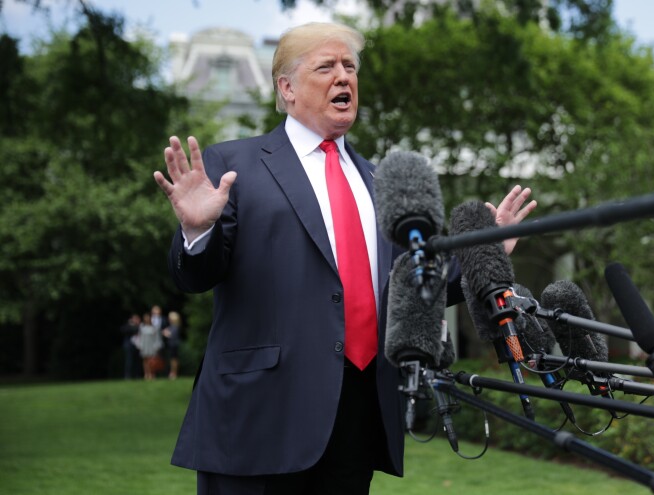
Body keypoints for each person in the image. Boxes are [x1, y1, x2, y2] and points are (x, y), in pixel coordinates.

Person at [153, 22, 536, 494]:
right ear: (287, 88)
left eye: (350, 67)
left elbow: (414, 286)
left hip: (357, 418)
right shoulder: (235, 165)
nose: (344, 77)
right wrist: (197, 229)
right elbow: (193, 275)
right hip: (257, 418)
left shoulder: (383, 181)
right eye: (327, 67)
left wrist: (484, 254)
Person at [137, 311, 163, 381]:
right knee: (145, 360)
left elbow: (157, 338)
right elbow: (140, 337)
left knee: (152, 361)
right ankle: (146, 374)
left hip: (152, 346)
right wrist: (140, 345)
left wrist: (157, 346)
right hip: (144, 345)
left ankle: (152, 374)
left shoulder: (154, 328)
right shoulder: (142, 327)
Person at [119, 313, 142, 379]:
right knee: (129, 361)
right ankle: (128, 375)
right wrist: (131, 325)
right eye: (134, 319)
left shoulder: (140, 326)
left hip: (138, 346)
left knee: (137, 361)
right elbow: (123, 330)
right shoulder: (127, 326)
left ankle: (137, 375)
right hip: (129, 346)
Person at [162, 311, 183, 380]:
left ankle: (174, 373)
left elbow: (171, 335)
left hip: (173, 345)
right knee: (173, 359)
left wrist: (165, 333)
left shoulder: (175, 327)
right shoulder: (172, 326)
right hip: (172, 344)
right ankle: (173, 372)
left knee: (174, 359)